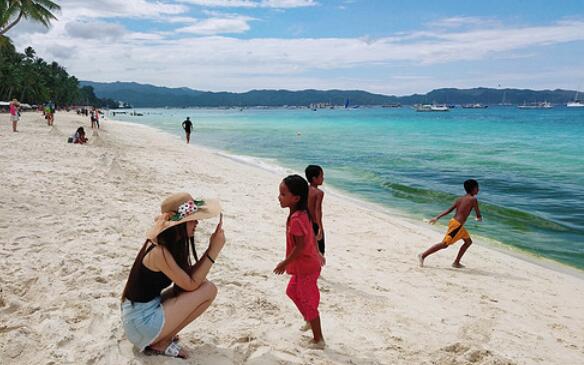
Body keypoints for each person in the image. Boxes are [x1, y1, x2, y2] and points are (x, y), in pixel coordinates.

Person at [121, 193, 225, 359]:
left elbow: (190, 279)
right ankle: (160, 342)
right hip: (140, 323)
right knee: (208, 290)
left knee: (202, 286)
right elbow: (191, 284)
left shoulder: (169, 243)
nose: (197, 222)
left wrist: (212, 247)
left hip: (139, 313)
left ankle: (164, 335)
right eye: (192, 219)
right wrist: (213, 250)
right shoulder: (159, 252)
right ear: (179, 224)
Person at [274, 175, 325, 349]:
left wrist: (284, 263)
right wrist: (319, 253)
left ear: (295, 198)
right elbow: (310, 238)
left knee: (309, 303)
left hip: (307, 267)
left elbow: (301, 247)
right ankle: (309, 320)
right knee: (292, 291)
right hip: (304, 265)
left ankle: (319, 339)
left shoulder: (297, 219)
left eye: (282, 194)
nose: (279, 197)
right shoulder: (300, 214)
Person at [418, 179, 482, 268]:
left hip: (455, 223)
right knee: (444, 244)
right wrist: (479, 218)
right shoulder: (473, 199)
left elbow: (449, 210)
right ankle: (423, 255)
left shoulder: (460, 199)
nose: (478, 190)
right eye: (477, 188)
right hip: (457, 226)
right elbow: (478, 214)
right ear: (473, 189)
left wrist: (437, 217)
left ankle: (456, 263)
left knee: (468, 242)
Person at [305, 165, 326, 261]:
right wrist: (320, 227)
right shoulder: (318, 193)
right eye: (321, 176)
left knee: (307, 246)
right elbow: (318, 210)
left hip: (305, 221)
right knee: (320, 249)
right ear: (314, 178)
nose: (323, 178)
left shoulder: (304, 189)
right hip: (314, 223)